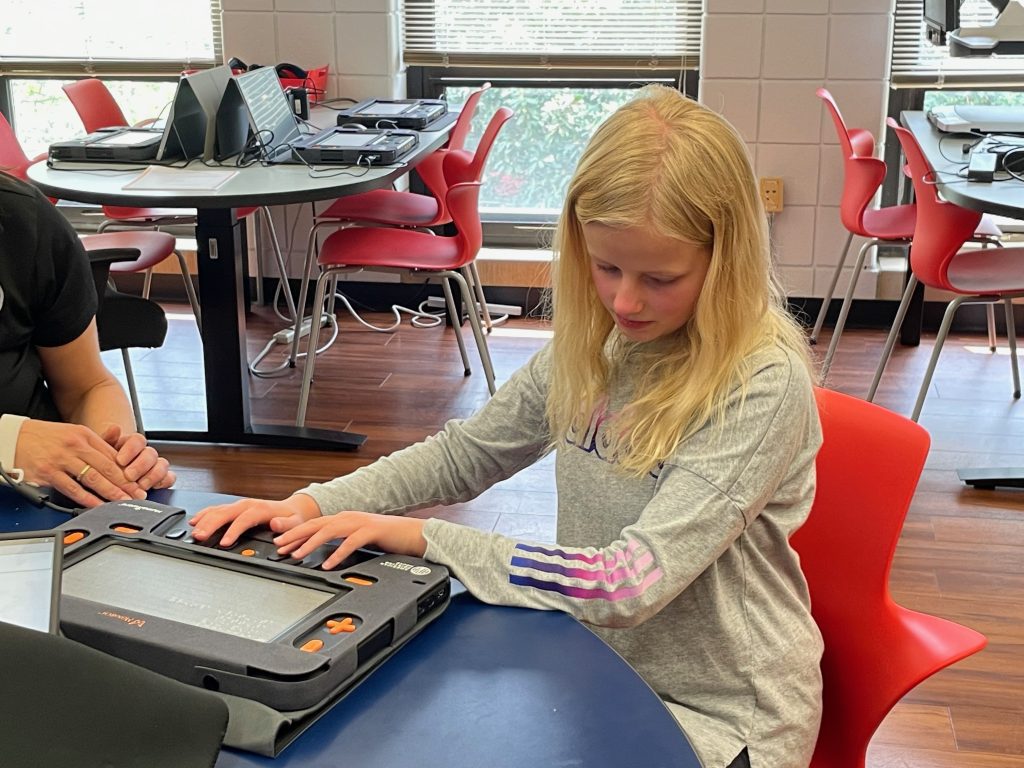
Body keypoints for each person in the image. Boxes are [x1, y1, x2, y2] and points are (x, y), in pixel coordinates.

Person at [192, 85, 823, 768]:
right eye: (606, 267)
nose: (625, 300)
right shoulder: (601, 340)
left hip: (727, 720)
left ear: (724, 260)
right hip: (601, 668)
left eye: (660, 278)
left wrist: (429, 538)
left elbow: (626, 582)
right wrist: (310, 505)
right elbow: (467, 454)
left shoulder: (762, 382)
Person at [0, 171, 174, 507]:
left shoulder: (22, 218)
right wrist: (8, 444)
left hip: (40, 498)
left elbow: (86, 387)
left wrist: (115, 459)